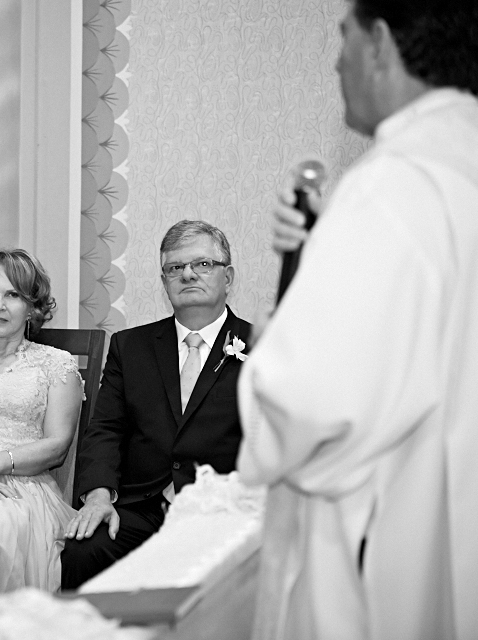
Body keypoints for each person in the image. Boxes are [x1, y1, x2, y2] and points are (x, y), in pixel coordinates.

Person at [236, 1, 478, 638]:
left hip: (383, 531)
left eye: (343, 37)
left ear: (380, 41)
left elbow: (309, 404)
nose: (336, 60)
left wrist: (267, 355)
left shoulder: (389, 185)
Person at [60, 220, 252, 589]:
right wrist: (98, 497)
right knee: (83, 550)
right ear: (164, 282)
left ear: (227, 277)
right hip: (141, 508)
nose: (188, 274)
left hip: (220, 511)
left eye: (203, 264)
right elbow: (106, 429)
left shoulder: (263, 347)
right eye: (175, 268)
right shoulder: (130, 347)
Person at [0, 249, 83, 596]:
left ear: (31, 306)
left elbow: (58, 446)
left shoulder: (56, 365)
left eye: (12, 295)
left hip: (19, 488)